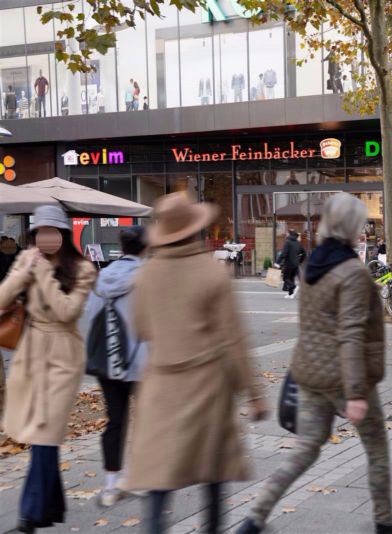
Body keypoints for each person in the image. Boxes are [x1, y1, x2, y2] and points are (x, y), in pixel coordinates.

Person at [237, 194, 392, 534]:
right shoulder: (352, 272)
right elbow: (351, 333)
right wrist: (356, 393)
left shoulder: (313, 266)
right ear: (354, 227)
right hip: (345, 378)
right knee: (377, 450)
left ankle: (254, 518)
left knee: (305, 450)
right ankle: (384, 523)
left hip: (310, 373)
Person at [121, 194, 266, 534]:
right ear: (194, 230)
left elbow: (140, 329)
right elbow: (234, 340)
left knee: (159, 476)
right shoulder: (212, 273)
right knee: (212, 472)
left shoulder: (145, 276)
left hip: (160, 387)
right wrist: (254, 395)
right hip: (207, 386)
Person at [0, 206, 97, 533]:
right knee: (43, 435)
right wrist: (20, 272)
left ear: (65, 235)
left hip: (63, 357)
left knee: (45, 433)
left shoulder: (82, 268)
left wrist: (41, 274)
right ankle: (50, 507)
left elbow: (66, 311)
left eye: (52, 232)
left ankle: (28, 518)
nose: (46, 238)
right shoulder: (29, 260)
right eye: (40, 232)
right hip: (31, 353)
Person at [81, 227, 149, 507]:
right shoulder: (148, 277)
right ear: (146, 247)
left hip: (109, 361)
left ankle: (111, 483)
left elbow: (89, 318)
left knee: (115, 421)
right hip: (141, 360)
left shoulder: (102, 277)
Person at [278, 230, 305, 299]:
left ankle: (294, 287)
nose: (286, 235)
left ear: (290, 235)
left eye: (287, 234)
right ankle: (290, 294)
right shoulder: (297, 243)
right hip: (296, 264)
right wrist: (300, 261)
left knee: (285, 278)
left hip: (289, 264)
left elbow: (284, 253)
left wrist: (277, 262)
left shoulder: (288, 242)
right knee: (291, 278)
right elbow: (304, 253)